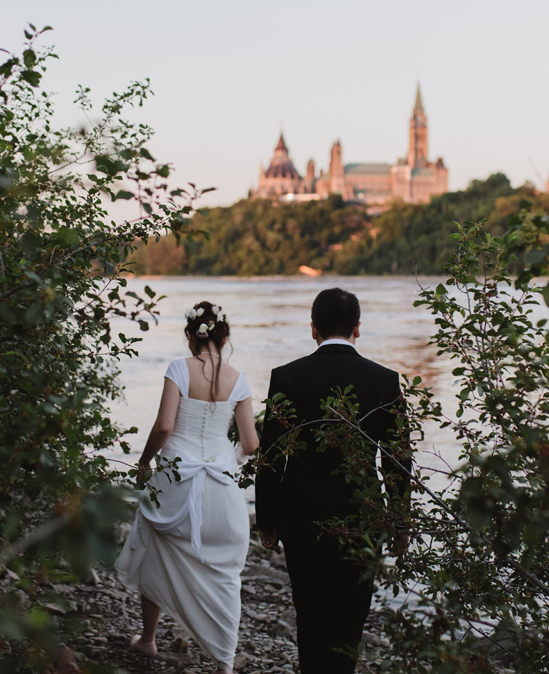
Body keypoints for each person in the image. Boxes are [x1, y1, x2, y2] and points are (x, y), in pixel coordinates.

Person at [255, 288, 406, 674]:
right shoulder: (385, 382)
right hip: (362, 517)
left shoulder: (287, 377)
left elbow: (271, 456)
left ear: (313, 329)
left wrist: (267, 520)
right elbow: (397, 462)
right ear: (358, 328)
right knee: (349, 622)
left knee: (310, 617)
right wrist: (400, 524)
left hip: (301, 517)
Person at [115, 301, 260, 674]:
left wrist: (145, 460)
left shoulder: (178, 368)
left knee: (154, 547)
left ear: (190, 336)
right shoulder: (239, 379)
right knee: (225, 571)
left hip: (175, 480)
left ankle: (148, 639)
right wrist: (224, 455)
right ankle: (225, 661)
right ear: (224, 338)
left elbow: (164, 427)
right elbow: (250, 445)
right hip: (222, 487)